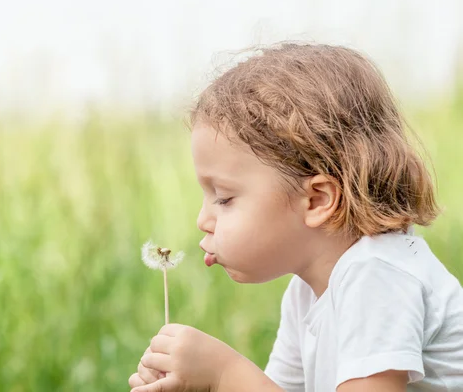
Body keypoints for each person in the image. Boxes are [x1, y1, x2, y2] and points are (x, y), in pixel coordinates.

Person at [128, 43, 463, 392]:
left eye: (225, 199)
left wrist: (225, 375)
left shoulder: (377, 276)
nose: (203, 220)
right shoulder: (307, 292)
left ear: (317, 200)